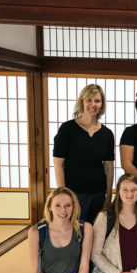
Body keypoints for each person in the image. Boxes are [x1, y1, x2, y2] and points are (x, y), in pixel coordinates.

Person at [53, 83, 114, 223]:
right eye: (89, 100)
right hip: (74, 193)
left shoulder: (107, 134)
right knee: (76, 233)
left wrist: (109, 195)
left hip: (98, 193)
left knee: (96, 234)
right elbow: (58, 164)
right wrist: (63, 194)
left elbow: (108, 166)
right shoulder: (67, 129)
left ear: (102, 104)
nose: (93, 104)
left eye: (97, 101)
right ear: (82, 102)